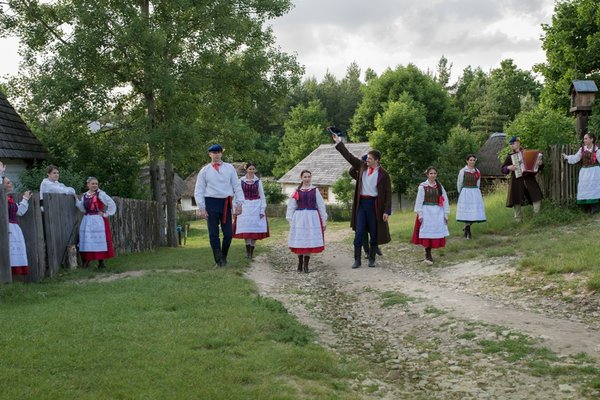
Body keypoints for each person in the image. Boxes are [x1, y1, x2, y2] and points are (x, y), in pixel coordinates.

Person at [332, 132, 391, 268]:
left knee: (375, 234)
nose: (367, 160)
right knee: (359, 232)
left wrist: (387, 211)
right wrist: (339, 143)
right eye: (367, 158)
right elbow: (349, 157)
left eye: (370, 158)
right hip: (362, 205)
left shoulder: (384, 174)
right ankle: (357, 259)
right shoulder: (362, 166)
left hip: (375, 205)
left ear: (377, 160)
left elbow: (388, 193)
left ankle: (372, 258)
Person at [194, 144, 244, 268]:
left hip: (226, 203)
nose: (216, 155)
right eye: (214, 152)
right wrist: (201, 207)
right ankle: (218, 261)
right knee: (213, 234)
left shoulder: (229, 168)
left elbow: (236, 186)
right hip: (210, 202)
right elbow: (199, 189)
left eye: (218, 152)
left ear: (221, 154)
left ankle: (224, 257)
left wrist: (239, 203)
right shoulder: (204, 170)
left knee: (228, 234)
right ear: (209, 154)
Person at [286, 170, 327, 273]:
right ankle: (300, 262)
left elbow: (321, 206)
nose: (307, 179)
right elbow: (291, 206)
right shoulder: (297, 191)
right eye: (305, 177)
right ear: (301, 178)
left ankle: (306, 265)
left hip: (312, 218)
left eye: (309, 177)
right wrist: (290, 220)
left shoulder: (315, 190)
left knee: (309, 240)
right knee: (300, 240)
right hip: (299, 218)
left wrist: (323, 221)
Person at [411, 167, 450, 264]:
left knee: (434, 232)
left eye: (435, 173)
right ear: (427, 175)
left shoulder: (440, 186)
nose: (433, 175)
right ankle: (428, 254)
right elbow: (419, 201)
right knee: (427, 233)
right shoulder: (422, 186)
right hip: (426, 212)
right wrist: (420, 214)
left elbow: (445, 200)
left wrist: (445, 214)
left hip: (437, 212)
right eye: (431, 173)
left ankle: (429, 252)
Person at [76, 177, 117, 269]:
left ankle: (101, 262)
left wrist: (106, 213)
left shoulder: (101, 194)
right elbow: (82, 208)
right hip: (87, 219)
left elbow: (111, 203)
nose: (95, 185)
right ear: (88, 185)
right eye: (93, 183)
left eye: (96, 184)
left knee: (98, 240)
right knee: (88, 240)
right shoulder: (85, 195)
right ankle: (87, 261)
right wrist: (76, 199)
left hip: (98, 220)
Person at [501, 136, 543, 222]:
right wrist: (509, 167)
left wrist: (540, 164)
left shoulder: (528, 153)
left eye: (513, 143)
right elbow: (503, 169)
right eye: (511, 144)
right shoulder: (510, 156)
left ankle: (536, 218)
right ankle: (518, 220)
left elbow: (538, 167)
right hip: (516, 180)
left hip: (529, 179)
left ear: (518, 143)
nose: (512, 145)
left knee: (536, 195)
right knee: (516, 198)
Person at [233, 162, 270, 259]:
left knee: (254, 231)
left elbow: (262, 196)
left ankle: (251, 252)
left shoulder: (258, 182)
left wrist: (262, 210)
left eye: (253, 169)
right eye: (250, 169)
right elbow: (237, 195)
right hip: (244, 207)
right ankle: (247, 252)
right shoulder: (241, 181)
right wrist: (235, 207)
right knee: (246, 230)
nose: (252, 171)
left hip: (256, 206)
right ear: (246, 170)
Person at [349, 162, 383, 258]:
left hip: (372, 205)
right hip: (362, 204)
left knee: (373, 229)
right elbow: (351, 171)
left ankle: (375, 247)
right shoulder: (361, 174)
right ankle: (367, 251)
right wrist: (360, 163)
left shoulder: (377, 172)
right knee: (361, 231)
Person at [3, 177, 32, 282]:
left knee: (15, 251)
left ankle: (15, 279)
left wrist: (25, 199)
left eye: (10, 182)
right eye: (8, 182)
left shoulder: (9, 199)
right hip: (4, 228)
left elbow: (19, 212)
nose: (11, 184)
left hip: (14, 229)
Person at [562, 132, 600, 213]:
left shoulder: (597, 149)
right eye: (584, 138)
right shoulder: (582, 149)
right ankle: (587, 207)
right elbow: (576, 158)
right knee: (585, 187)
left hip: (594, 171)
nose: (584, 140)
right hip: (585, 172)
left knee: (593, 188)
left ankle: (594, 207)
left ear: (592, 139)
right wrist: (567, 157)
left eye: (586, 138)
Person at [456, 154, 486, 238]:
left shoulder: (477, 171)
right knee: (467, 212)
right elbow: (459, 183)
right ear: (467, 161)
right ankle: (468, 231)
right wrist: (461, 193)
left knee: (474, 212)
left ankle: (466, 227)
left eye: (473, 160)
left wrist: (476, 192)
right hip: (465, 192)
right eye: (471, 160)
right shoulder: (463, 171)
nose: (472, 161)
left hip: (474, 192)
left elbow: (478, 183)